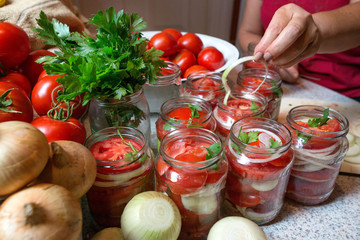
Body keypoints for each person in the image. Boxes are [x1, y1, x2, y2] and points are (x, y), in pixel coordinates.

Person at [238, 0, 360, 101]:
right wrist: (272, 56)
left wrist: (314, 30)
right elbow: (249, 32)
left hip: (345, 94)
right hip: (281, 87)